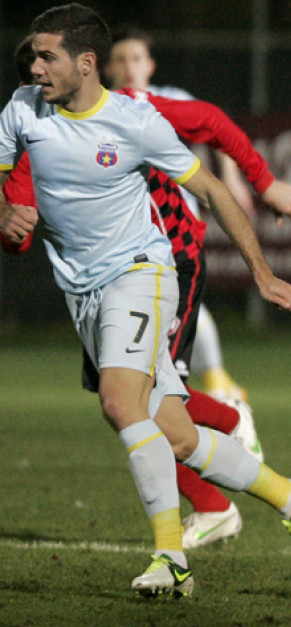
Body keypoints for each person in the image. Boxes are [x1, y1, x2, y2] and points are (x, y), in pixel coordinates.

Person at [0, 4, 291, 598]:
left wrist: (262, 272)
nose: (34, 66)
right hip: (82, 289)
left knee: (121, 404)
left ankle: (171, 559)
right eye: (34, 56)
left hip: (143, 271)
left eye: (48, 56)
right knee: (173, 432)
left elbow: (212, 187)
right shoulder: (22, 107)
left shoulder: (136, 120)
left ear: (86, 63)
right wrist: (4, 213)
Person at [105, 24, 259, 403]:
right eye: (120, 59)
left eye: (136, 58)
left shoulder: (170, 99)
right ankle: (198, 393)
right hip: (123, 228)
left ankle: (213, 385)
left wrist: (233, 181)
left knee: (176, 306)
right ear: (106, 68)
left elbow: (214, 129)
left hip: (172, 225)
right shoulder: (101, 107)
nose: (129, 66)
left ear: (151, 65)